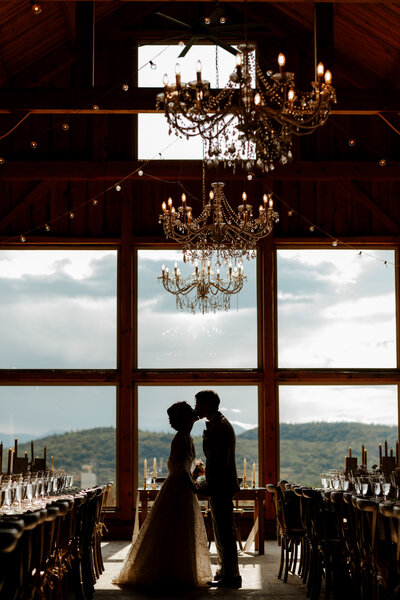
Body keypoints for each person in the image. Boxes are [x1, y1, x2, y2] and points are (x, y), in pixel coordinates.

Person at [113, 401, 211, 590]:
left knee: (179, 530)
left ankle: (177, 571)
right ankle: (171, 573)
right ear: (185, 417)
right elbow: (179, 469)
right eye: (191, 410)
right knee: (175, 529)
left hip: (181, 486)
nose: (195, 411)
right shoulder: (181, 438)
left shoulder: (186, 436)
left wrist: (194, 479)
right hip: (179, 488)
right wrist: (195, 487)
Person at [194, 389, 242, 589]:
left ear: (207, 405)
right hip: (220, 484)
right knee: (221, 530)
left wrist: (207, 484)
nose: (195, 407)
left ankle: (232, 575)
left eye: (197, 404)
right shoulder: (217, 423)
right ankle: (225, 571)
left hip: (221, 485)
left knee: (224, 531)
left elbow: (219, 461)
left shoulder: (220, 427)